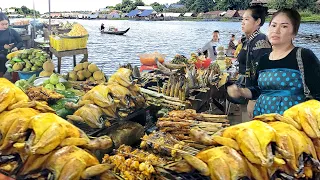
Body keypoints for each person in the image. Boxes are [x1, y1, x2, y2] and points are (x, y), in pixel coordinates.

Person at [227, 8, 320, 117]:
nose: (276, 30)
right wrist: (241, 91)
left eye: (284, 26)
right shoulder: (264, 59)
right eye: (274, 25)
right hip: (263, 120)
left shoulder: (303, 56)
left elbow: (318, 94)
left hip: (293, 124)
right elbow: (258, 90)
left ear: (294, 32)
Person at [229, 5, 272, 119]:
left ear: (257, 21)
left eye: (246, 19)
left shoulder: (261, 41)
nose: (242, 22)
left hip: (255, 95)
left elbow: (262, 73)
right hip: (246, 89)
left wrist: (254, 99)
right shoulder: (248, 40)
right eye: (242, 19)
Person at [0, 12, 23, 77]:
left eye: (6, 24)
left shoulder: (12, 31)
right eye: (2, 24)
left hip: (12, 54)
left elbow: (20, 42)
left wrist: (16, 47)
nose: (5, 26)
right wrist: (3, 47)